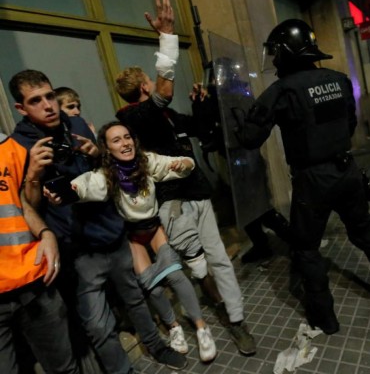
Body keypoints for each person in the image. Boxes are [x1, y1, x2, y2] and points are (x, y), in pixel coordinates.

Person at [233, 18, 370, 335]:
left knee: (306, 248)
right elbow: (350, 125)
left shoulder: (281, 91)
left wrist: (239, 116)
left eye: (276, 52)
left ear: (288, 53)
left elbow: (250, 138)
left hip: (312, 181)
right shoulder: (339, 80)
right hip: (347, 170)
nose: (274, 59)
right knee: (364, 230)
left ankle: (325, 317)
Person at [9, 64, 186, 374]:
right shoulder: (20, 145)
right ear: (20, 108)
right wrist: (35, 175)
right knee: (98, 324)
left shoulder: (74, 123)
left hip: (111, 232)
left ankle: (157, 346)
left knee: (134, 298)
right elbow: (29, 208)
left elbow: (106, 173)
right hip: (76, 250)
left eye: (50, 96)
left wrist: (95, 154)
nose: (48, 105)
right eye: (36, 101)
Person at [114, 0, 256, 356]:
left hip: (198, 192)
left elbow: (195, 126)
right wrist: (167, 37)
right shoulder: (133, 118)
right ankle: (212, 312)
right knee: (196, 264)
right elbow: (165, 89)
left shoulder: (162, 116)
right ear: (144, 87)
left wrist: (201, 104)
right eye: (150, 80)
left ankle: (236, 321)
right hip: (173, 204)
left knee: (218, 258)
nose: (155, 85)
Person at [68, 121, 216, 362]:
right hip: (132, 234)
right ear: (106, 148)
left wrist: (185, 162)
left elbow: (178, 164)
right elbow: (87, 185)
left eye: (127, 137)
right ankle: (173, 326)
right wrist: (70, 189)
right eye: (116, 140)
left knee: (176, 275)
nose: (125, 143)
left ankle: (201, 328)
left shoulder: (146, 161)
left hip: (154, 227)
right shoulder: (107, 174)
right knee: (153, 286)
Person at [190, 65, 291, 264]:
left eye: (212, 78)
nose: (209, 83)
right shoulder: (239, 95)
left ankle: (292, 241)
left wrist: (201, 104)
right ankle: (265, 245)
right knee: (251, 209)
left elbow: (217, 132)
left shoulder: (226, 100)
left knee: (260, 209)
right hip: (247, 160)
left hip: (242, 161)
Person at [0, 132, 79, 374]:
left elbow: (19, 202)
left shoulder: (10, 147)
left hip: (33, 278)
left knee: (64, 368)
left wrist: (45, 232)